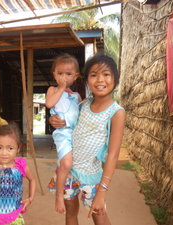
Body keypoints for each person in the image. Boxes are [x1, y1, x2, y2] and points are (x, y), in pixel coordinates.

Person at [48, 53, 126, 225]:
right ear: (86, 80)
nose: (100, 80)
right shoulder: (82, 104)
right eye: (93, 75)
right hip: (69, 173)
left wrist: (102, 191)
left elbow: (112, 156)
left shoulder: (116, 112)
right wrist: (54, 120)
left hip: (91, 176)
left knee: (100, 215)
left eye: (106, 74)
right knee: (70, 214)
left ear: (115, 78)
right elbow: (66, 122)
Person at [45, 53, 81, 214]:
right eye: (60, 74)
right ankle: (59, 195)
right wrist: (60, 88)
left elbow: (79, 117)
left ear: (76, 76)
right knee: (66, 164)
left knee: (68, 164)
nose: (64, 77)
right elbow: (49, 103)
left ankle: (66, 181)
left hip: (75, 134)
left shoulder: (77, 96)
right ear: (54, 75)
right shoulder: (52, 89)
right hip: (62, 133)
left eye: (68, 74)